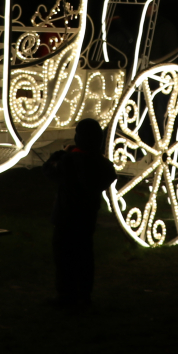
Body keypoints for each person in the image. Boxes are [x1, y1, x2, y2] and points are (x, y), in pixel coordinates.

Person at [44, 118, 118, 309]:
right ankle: (84, 296)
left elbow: (49, 172)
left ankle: (66, 297)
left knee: (64, 259)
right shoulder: (101, 165)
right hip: (86, 219)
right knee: (85, 258)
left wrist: (59, 155)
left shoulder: (70, 161)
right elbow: (109, 173)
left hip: (65, 218)